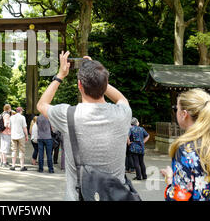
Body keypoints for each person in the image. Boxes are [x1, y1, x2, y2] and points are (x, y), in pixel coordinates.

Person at [37, 52, 132, 201]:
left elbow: (41, 105)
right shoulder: (122, 114)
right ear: (105, 83)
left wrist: (60, 75)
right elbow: (121, 98)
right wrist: (97, 74)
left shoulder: (68, 115)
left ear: (80, 85)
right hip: (115, 196)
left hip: (78, 196)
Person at [161, 88, 210, 201]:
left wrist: (170, 180)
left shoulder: (185, 150)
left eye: (176, 109)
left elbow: (179, 198)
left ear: (183, 114)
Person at [9, 107, 28, 171]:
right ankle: (22, 166)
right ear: (20, 111)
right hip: (21, 136)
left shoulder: (11, 117)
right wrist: (26, 135)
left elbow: (9, 126)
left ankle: (13, 165)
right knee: (21, 150)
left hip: (13, 136)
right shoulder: (22, 117)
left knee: (14, 150)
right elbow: (24, 127)